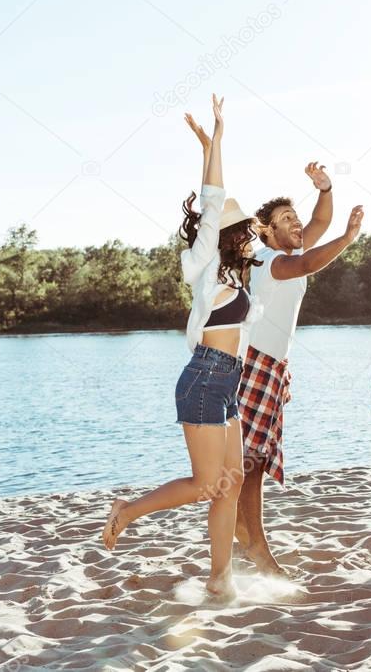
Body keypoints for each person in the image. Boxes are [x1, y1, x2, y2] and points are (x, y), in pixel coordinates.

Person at [101, 95, 264, 597]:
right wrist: (216, 137)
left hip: (227, 384)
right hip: (204, 379)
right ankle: (127, 511)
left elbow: (217, 201)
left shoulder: (234, 281)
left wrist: (210, 143)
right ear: (229, 237)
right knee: (205, 484)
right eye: (246, 233)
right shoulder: (203, 266)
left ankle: (220, 579)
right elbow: (212, 201)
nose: (251, 238)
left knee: (231, 481)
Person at [234, 164, 365, 576]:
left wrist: (325, 188)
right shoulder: (269, 261)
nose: (296, 224)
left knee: (252, 459)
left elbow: (321, 219)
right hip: (254, 364)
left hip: (272, 365)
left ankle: (246, 532)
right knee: (250, 460)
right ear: (267, 233)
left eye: (295, 218)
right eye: (285, 220)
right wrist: (348, 238)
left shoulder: (285, 252)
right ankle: (253, 542)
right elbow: (308, 264)